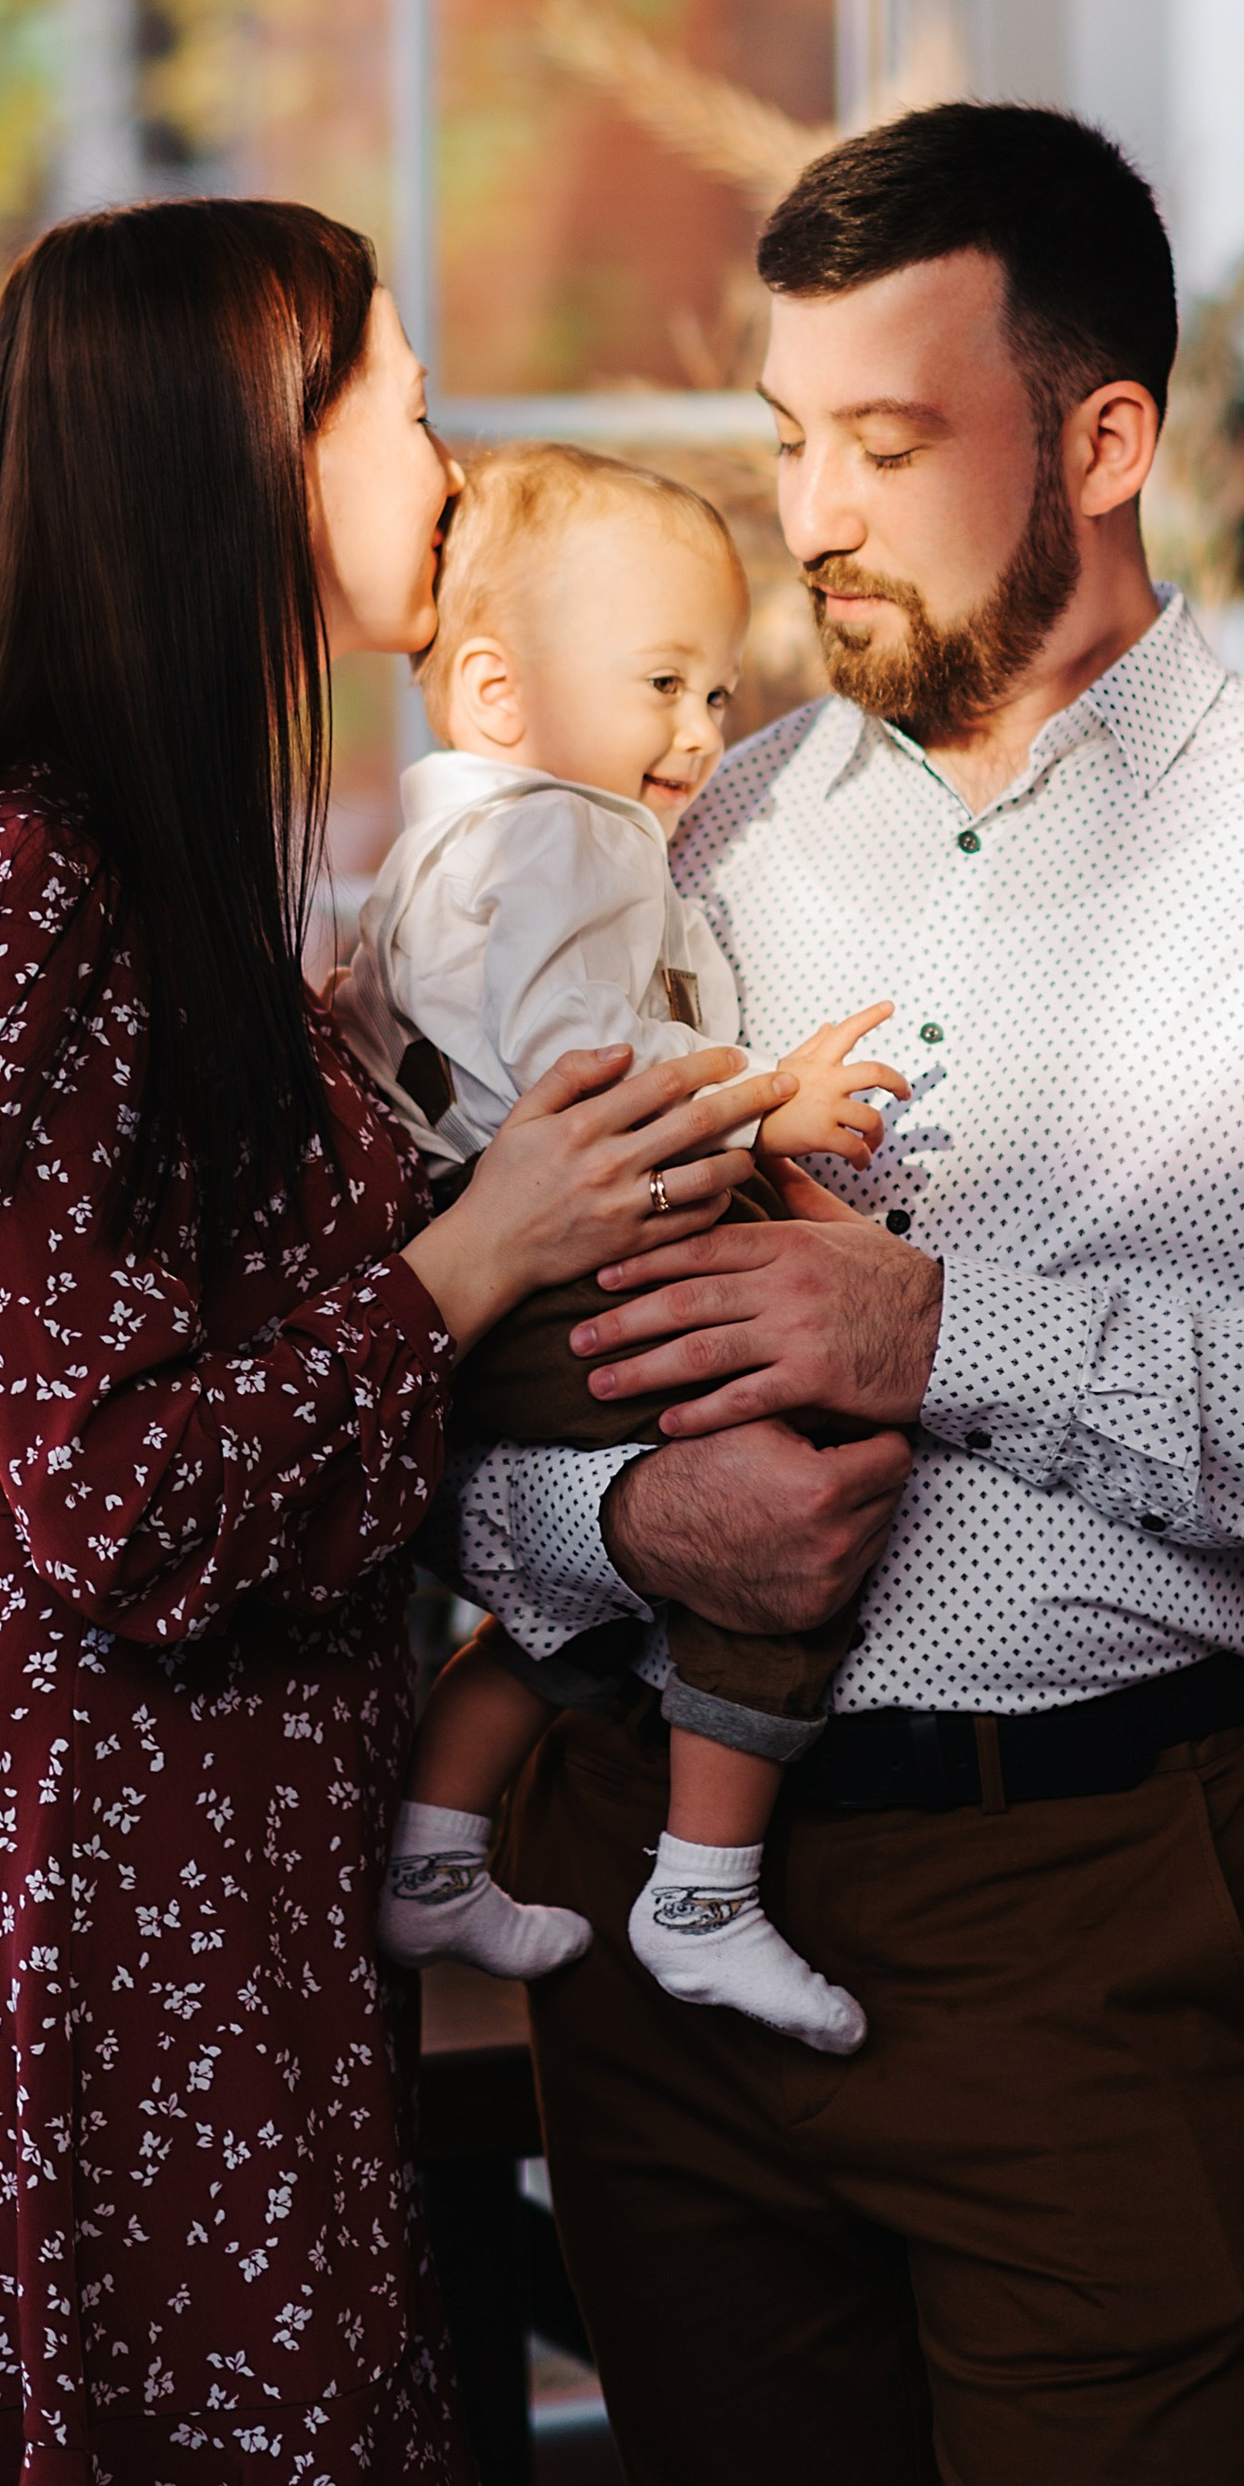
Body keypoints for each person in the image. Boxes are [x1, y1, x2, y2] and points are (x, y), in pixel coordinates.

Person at [449, 103, 1244, 2486]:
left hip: (1092, 1926)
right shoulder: (676, 839)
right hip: (657, 1911)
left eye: (881, 441)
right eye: (782, 442)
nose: (810, 513)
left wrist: (947, 1325)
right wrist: (616, 1527)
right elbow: (471, 1361)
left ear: (1103, 441)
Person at [0, 200, 784, 2486]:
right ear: (256, 452)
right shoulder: (30, 881)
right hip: (100, 1902)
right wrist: (484, 1250)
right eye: (402, 403)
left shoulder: (184, 874)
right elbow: (107, 1501)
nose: (447, 468)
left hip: (231, 1884)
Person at [341, 441, 904, 2054]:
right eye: (661, 682)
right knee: (781, 1488)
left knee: (582, 1602)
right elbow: (598, 1077)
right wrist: (773, 1106)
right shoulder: (568, 840)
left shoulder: (430, 852)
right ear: (504, 695)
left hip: (469, 1268)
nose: (697, 735)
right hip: (575, 1254)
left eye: (718, 696)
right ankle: (705, 1890)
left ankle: (438, 1845)